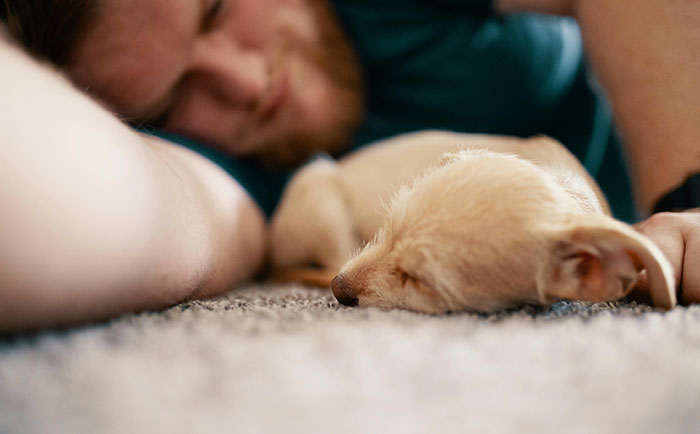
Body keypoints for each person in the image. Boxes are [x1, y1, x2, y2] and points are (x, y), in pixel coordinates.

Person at [1, 0, 699, 331]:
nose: (246, 83)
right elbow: (124, 199)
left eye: (216, 11)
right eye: (174, 95)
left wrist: (689, 204)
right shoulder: (241, 175)